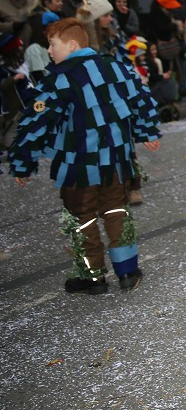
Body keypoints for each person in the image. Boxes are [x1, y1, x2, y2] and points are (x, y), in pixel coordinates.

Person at [8, 18, 160, 294]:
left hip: (78, 165)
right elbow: (140, 97)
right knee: (116, 211)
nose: (49, 51)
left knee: (83, 217)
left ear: (72, 45)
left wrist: (22, 162)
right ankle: (127, 272)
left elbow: (36, 122)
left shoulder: (59, 79)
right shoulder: (115, 66)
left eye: (52, 45)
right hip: (116, 160)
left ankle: (92, 278)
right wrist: (147, 131)